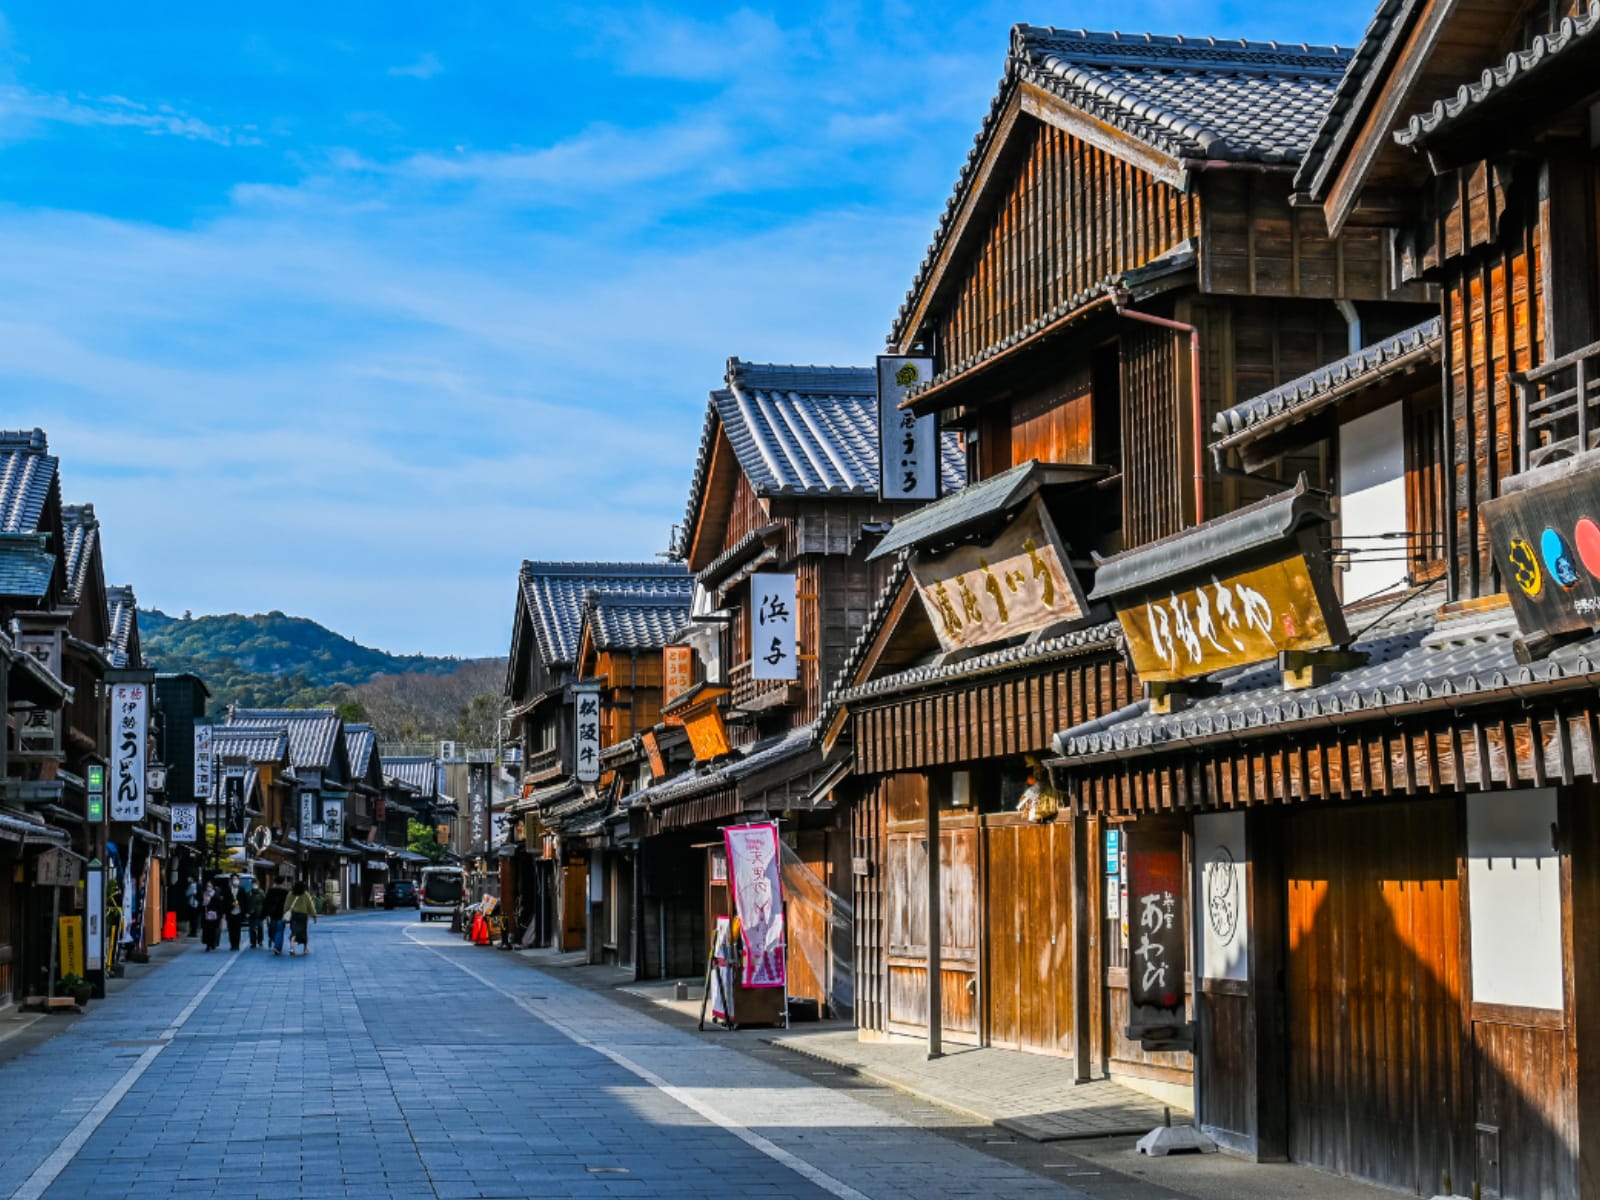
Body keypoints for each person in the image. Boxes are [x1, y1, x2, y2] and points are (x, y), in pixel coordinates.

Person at [286, 880, 318, 957]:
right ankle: (305, 948)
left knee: (294, 931)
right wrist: (314, 915)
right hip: (303, 916)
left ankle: (292, 948)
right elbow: (310, 905)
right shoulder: (305, 894)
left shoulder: (290, 894)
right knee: (303, 932)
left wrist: (285, 913)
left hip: (293, 915)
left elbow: (286, 904)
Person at [264, 878, 289, 956]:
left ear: (275, 882)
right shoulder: (286, 892)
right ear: (283, 883)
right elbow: (288, 903)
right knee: (280, 930)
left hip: (273, 914)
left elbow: (266, 903)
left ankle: (275, 943)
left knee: (273, 929)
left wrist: (266, 914)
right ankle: (277, 947)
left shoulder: (270, 891)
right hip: (282, 914)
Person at [240, 877, 265, 948]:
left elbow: (264, 902)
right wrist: (247, 912)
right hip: (251, 913)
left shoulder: (261, 892)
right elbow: (246, 903)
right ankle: (253, 942)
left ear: (258, 884)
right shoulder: (249, 893)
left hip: (260, 913)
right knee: (252, 929)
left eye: (256, 883)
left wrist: (265, 912)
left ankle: (260, 941)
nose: (255, 885)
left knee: (260, 927)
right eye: (253, 884)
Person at [200, 879, 223, 952]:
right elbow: (201, 904)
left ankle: (213, 943)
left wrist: (220, 915)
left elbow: (219, 905)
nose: (208, 887)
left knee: (213, 930)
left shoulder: (216, 895)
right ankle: (208, 945)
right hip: (206, 914)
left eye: (210, 886)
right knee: (206, 930)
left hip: (214, 915)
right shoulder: (204, 894)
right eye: (207, 886)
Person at [221, 876, 243, 951]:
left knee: (237, 929)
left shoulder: (241, 889)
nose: (235, 880)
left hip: (239, 911)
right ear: (231, 880)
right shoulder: (227, 890)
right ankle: (232, 944)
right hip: (230, 912)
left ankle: (237, 945)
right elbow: (225, 902)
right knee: (231, 929)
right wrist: (230, 905)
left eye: (236, 879)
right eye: (233, 879)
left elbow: (245, 901)